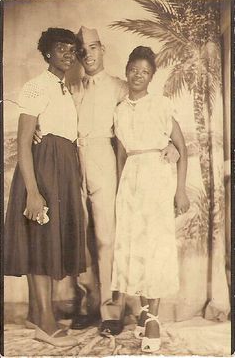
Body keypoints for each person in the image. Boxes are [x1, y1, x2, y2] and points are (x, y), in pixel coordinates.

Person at [34, 26, 180, 336]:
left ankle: (112, 310)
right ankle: (89, 306)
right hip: (74, 160)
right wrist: (39, 130)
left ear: (103, 50)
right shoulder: (70, 88)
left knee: (107, 237)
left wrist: (172, 146)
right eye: (83, 50)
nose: (88, 55)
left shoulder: (118, 86)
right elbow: (52, 117)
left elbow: (150, 115)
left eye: (94, 48)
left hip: (104, 158)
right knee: (82, 236)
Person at [4, 28, 85, 347]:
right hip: (42, 171)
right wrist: (33, 192)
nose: (68, 54)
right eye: (61, 49)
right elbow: (24, 142)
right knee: (40, 241)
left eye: (72, 49)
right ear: (47, 53)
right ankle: (46, 324)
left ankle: (38, 315)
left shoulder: (64, 89)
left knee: (48, 241)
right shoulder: (37, 87)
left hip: (61, 169)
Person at [111, 46, 190, 352]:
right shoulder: (119, 109)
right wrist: (121, 190)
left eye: (145, 72)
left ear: (152, 77)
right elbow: (121, 154)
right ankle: (144, 314)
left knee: (155, 247)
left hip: (157, 179)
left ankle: (154, 318)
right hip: (131, 182)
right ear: (127, 69)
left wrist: (180, 190)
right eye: (134, 69)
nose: (137, 76)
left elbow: (182, 148)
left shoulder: (161, 105)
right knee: (137, 247)